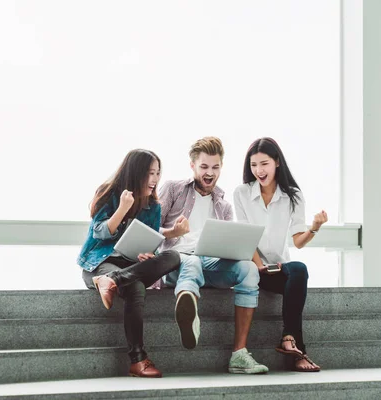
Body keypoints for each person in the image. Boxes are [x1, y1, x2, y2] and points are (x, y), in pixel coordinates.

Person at [159, 136, 269, 374]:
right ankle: (189, 307)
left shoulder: (224, 205)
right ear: (192, 166)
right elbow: (149, 229)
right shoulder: (173, 189)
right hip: (176, 262)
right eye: (204, 167)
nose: (210, 173)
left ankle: (239, 355)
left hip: (210, 264)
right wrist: (173, 232)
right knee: (192, 260)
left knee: (248, 269)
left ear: (221, 167)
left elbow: (228, 244)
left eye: (215, 167)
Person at [76, 149, 181, 378]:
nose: (155, 179)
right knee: (136, 288)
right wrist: (122, 209)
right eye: (150, 173)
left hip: (129, 266)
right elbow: (100, 232)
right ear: (136, 173)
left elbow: (150, 241)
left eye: (157, 173)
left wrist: (147, 255)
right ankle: (138, 359)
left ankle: (112, 281)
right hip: (99, 264)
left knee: (173, 257)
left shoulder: (154, 206)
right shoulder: (109, 194)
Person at [233, 137, 327, 372]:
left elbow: (298, 242)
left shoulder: (292, 195)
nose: (258, 170)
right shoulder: (242, 193)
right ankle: (300, 354)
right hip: (252, 269)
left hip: (279, 270)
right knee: (293, 280)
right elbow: (245, 237)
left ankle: (288, 337)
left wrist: (314, 227)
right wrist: (258, 265)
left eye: (264, 163)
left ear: (277, 162)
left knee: (299, 269)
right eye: (254, 165)